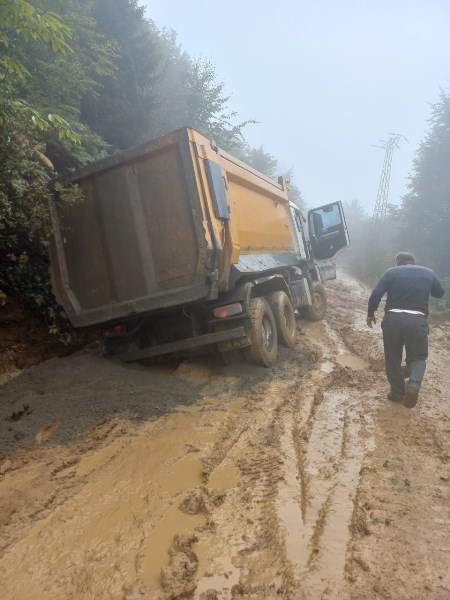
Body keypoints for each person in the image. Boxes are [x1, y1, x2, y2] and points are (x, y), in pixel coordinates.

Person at [367, 252, 444, 408]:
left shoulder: (391, 272)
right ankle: (414, 385)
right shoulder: (428, 272)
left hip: (392, 320)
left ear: (398, 262)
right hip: (417, 320)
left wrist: (370, 313)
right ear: (413, 262)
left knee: (393, 357)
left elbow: (376, 294)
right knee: (417, 358)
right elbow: (439, 293)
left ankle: (397, 393)